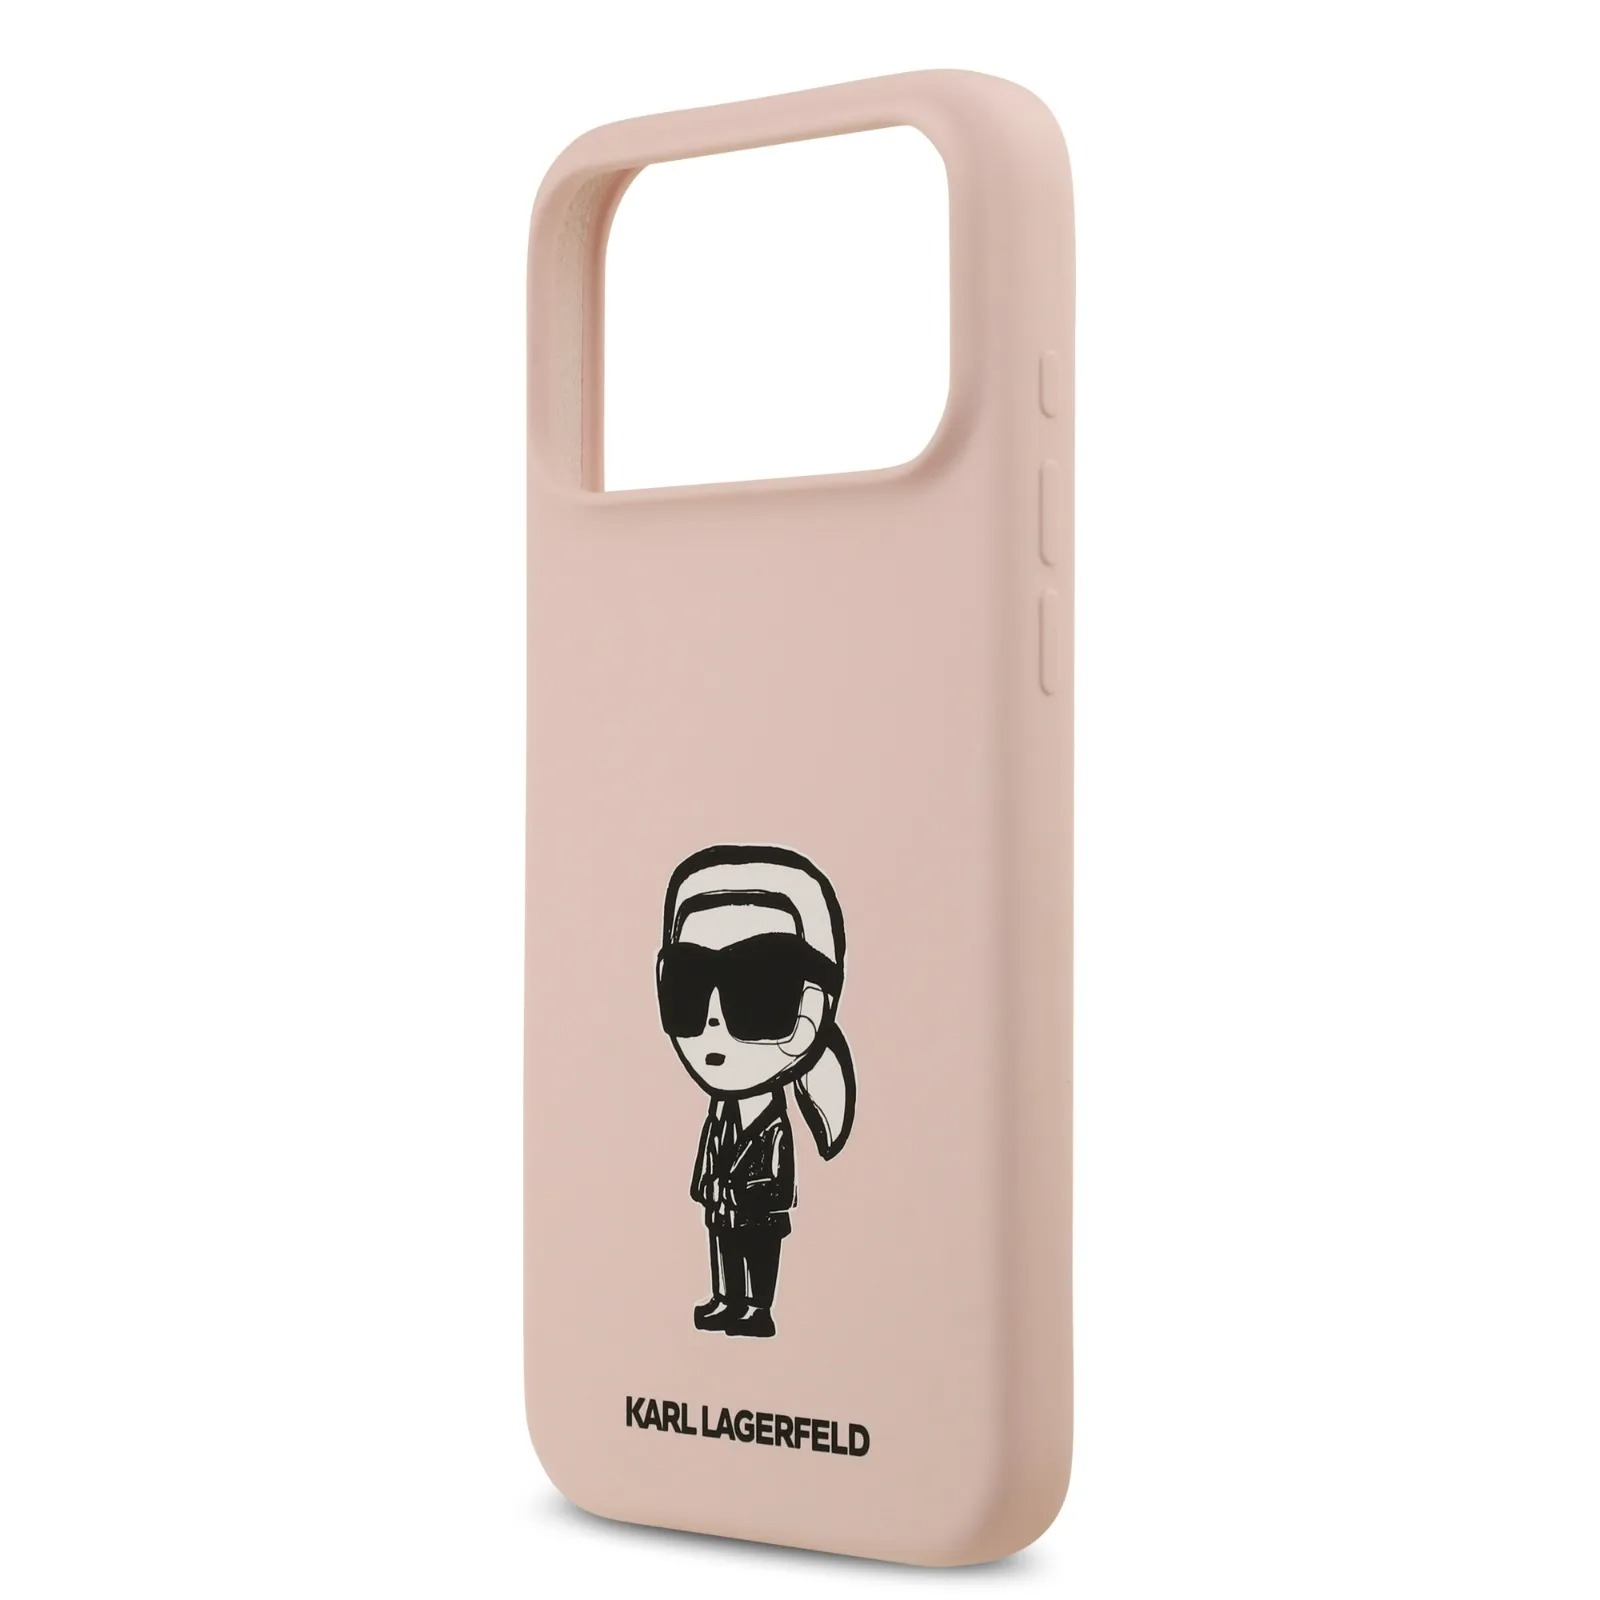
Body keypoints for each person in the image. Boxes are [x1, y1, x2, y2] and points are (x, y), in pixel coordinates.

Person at [657, 845, 856, 1338]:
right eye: (688, 984)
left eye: (759, 990)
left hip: (757, 1213)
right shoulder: (721, 1114)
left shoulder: (772, 1123)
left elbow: (778, 1173)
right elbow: (710, 1154)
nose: (713, 1018)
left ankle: (757, 1307)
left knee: (759, 1256)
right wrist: (708, 1187)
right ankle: (727, 1298)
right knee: (723, 1249)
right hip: (723, 1206)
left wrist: (751, 1194)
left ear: (813, 1007)